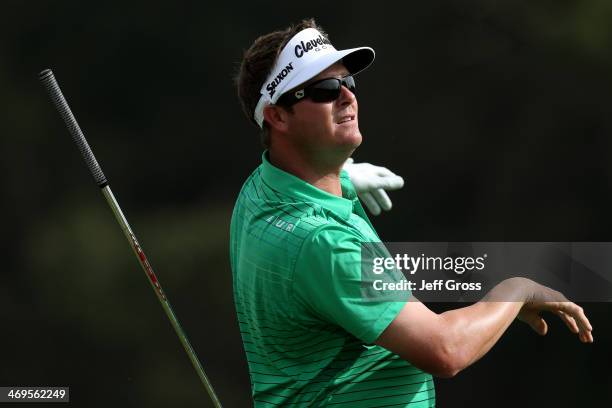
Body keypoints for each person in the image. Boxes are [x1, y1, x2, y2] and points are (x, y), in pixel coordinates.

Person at [230, 19, 593, 407]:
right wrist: (516, 290)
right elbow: (444, 350)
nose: (347, 97)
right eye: (324, 89)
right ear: (277, 117)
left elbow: (297, 186)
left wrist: (345, 174)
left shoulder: (260, 193)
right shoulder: (324, 243)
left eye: (347, 83)